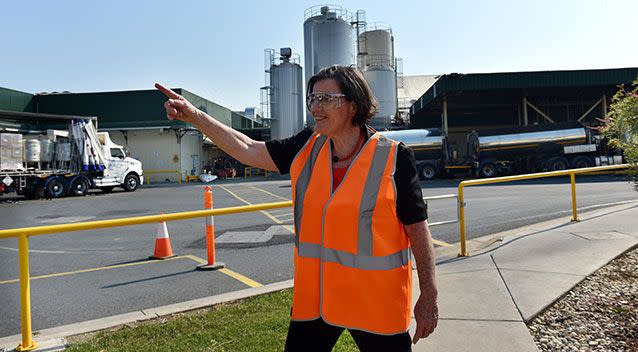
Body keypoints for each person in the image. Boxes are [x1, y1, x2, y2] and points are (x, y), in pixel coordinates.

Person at [156, 65, 438, 351]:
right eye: (313, 99)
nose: (316, 107)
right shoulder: (307, 146)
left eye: (326, 99)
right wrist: (195, 116)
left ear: (353, 104)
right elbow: (249, 148)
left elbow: (417, 228)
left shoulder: (393, 157)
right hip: (316, 301)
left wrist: (429, 294)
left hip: (374, 302)